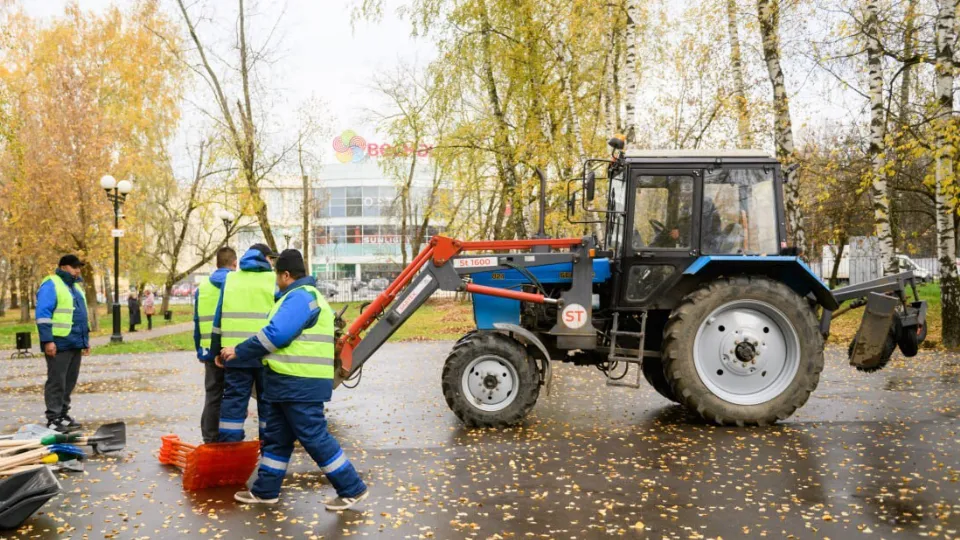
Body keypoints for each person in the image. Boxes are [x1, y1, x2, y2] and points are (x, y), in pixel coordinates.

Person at [223, 249, 368, 510]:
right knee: (277, 438)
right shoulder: (298, 296)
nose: (275, 280)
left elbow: (275, 335)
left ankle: (352, 488)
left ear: (286, 275)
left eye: (277, 275)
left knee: (314, 437)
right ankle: (266, 491)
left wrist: (239, 350)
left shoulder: (300, 297)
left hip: (299, 383)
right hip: (286, 383)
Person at [211, 243, 277, 442]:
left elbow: (218, 319)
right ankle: (269, 448)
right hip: (266, 353)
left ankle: (229, 451)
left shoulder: (230, 280)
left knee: (233, 401)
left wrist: (216, 350)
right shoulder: (273, 280)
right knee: (268, 403)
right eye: (271, 259)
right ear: (266, 259)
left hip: (234, 353)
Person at [35, 255, 90, 432]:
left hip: (74, 342)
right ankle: (53, 418)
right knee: (57, 381)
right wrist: (47, 340)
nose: (78, 270)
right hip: (58, 342)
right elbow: (43, 314)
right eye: (74, 267)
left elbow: (81, 316)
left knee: (69, 381)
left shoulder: (75, 287)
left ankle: (63, 415)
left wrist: (85, 341)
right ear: (63, 267)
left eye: (79, 267)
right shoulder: (52, 284)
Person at [194, 246, 238, 444]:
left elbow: (197, 322)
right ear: (235, 264)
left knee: (213, 395)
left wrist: (201, 350)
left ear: (217, 264)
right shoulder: (237, 285)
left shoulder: (202, 288)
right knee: (235, 395)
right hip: (233, 350)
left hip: (209, 351)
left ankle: (210, 439)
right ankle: (230, 439)